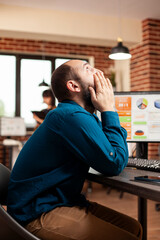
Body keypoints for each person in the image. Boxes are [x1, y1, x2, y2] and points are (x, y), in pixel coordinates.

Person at [7, 60, 142, 240]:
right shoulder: (71, 116)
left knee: (135, 228)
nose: (98, 71)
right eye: (89, 68)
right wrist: (109, 108)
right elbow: (115, 162)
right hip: (37, 212)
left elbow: (111, 154)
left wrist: (107, 111)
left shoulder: (82, 116)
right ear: (73, 86)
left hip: (63, 202)